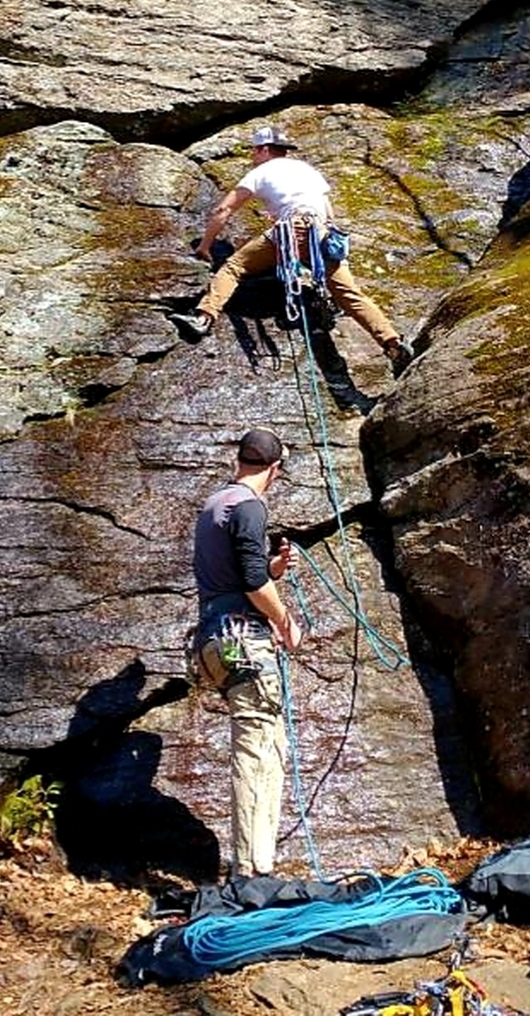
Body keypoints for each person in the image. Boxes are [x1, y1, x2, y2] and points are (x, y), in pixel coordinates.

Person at [171, 126, 414, 375]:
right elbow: (329, 212)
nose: (252, 156)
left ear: (265, 149)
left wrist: (204, 246)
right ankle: (392, 343)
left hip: (291, 228)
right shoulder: (307, 170)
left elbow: (223, 210)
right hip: (322, 231)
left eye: (254, 150)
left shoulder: (260, 172)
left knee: (234, 267)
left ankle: (203, 318)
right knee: (348, 293)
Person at [192, 426, 303, 879]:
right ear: (274, 469)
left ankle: (258, 864)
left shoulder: (214, 504)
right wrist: (284, 620)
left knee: (269, 745)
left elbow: (243, 577)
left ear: (240, 460)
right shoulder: (251, 507)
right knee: (258, 749)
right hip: (244, 642)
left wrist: (272, 569)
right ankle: (251, 875)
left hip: (213, 640)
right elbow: (255, 585)